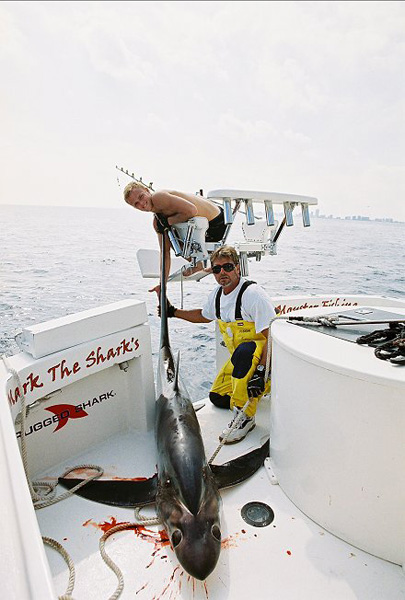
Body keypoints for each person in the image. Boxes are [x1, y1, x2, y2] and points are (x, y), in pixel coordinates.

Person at [162, 245, 276, 444]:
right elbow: (203, 316)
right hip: (240, 359)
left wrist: (260, 371)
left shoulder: (253, 295)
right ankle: (253, 393)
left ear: (238, 268)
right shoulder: (216, 296)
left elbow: (271, 336)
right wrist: (173, 312)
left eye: (227, 267)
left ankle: (246, 417)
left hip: (262, 359)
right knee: (217, 397)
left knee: (244, 352)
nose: (222, 272)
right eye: (216, 269)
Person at [124, 182, 227, 293]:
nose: (142, 204)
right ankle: (197, 263)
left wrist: (167, 222)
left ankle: (198, 263)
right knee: (167, 232)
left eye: (141, 196)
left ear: (147, 190)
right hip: (206, 227)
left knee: (167, 228)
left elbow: (192, 210)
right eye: (136, 204)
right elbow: (165, 253)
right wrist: (162, 285)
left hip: (218, 222)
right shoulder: (157, 221)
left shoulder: (158, 197)